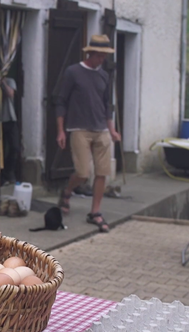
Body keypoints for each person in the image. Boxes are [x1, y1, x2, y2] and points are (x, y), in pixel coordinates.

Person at [55, 34, 121, 233]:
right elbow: (61, 101)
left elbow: (107, 105)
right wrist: (61, 131)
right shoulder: (73, 72)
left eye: (104, 56)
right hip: (79, 128)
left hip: (101, 128)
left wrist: (112, 129)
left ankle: (95, 212)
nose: (102, 59)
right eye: (99, 55)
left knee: (102, 172)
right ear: (90, 52)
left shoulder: (103, 75)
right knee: (83, 172)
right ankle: (67, 191)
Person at [0, 76, 19, 186]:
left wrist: (3, 82)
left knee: (14, 147)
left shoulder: (10, 80)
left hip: (10, 118)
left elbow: (10, 94)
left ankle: (9, 172)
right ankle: (1, 177)